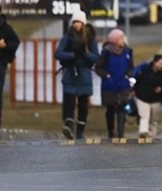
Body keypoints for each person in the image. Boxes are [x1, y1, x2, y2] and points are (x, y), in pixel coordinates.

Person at [55, 10, 99, 140]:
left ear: (83, 23)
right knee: (68, 101)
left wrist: (84, 53)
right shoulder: (67, 37)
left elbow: (96, 57)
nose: (76, 25)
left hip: (84, 75)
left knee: (83, 103)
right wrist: (73, 55)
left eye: (78, 22)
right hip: (70, 73)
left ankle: (80, 131)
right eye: (74, 22)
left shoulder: (90, 38)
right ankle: (68, 126)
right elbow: (58, 54)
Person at [95, 29, 134, 139]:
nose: (123, 40)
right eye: (121, 38)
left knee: (122, 108)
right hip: (109, 85)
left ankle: (121, 133)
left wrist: (128, 75)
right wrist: (106, 75)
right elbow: (98, 68)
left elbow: (131, 66)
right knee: (110, 109)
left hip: (123, 85)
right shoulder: (106, 52)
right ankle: (111, 132)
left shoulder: (128, 51)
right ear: (115, 40)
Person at [132, 54, 162, 139]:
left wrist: (161, 88)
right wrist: (134, 90)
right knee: (144, 116)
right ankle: (143, 132)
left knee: (154, 119)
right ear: (154, 63)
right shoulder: (144, 70)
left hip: (156, 100)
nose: (161, 65)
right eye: (160, 63)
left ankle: (152, 135)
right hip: (143, 98)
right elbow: (137, 80)